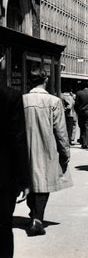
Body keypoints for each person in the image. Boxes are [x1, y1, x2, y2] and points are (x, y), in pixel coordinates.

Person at [22, 69, 72, 236]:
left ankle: (33, 214)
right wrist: (65, 152)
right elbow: (60, 130)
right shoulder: (53, 101)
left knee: (31, 182)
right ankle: (37, 218)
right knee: (43, 182)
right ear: (45, 81)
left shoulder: (22, 100)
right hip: (46, 147)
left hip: (26, 147)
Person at [0, 86, 31, 257]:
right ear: (2, 59)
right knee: (3, 226)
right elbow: (18, 139)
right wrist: (25, 179)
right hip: (4, 175)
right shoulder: (10, 96)